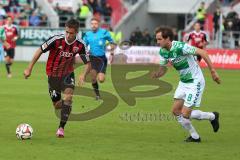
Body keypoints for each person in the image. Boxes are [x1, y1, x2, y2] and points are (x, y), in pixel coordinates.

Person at [24, 19, 91, 138]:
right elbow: (40, 50)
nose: (68, 35)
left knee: (68, 97)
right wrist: (29, 68)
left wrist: (83, 75)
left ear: (76, 32)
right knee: (57, 105)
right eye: (67, 32)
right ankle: (66, 105)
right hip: (53, 75)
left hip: (67, 74)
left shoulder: (80, 45)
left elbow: (88, 63)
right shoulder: (56, 40)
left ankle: (61, 128)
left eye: (71, 33)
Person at [152, 27, 221, 142]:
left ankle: (212, 116)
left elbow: (203, 52)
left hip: (195, 81)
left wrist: (213, 71)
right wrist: (156, 75)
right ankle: (195, 136)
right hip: (183, 82)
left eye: (159, 39)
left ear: (167, 38)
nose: (157, 42)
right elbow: (162, 69)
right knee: (175, 111)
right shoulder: (163, 51)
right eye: (157, 39)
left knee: (185, 113)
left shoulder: (180, 47)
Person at [83, 17, 115, 100]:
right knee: (93, 78)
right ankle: (97, 95)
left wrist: (112, 53)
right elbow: (84, 45)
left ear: (99, 24)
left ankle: (102, 73)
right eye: (92, 24)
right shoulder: (87, 34)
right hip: (92, 59)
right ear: (90, 25)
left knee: (101, 80)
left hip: (102, 59)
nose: (94, 25)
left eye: (95, 24)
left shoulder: (104, 32)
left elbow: (112, 42)